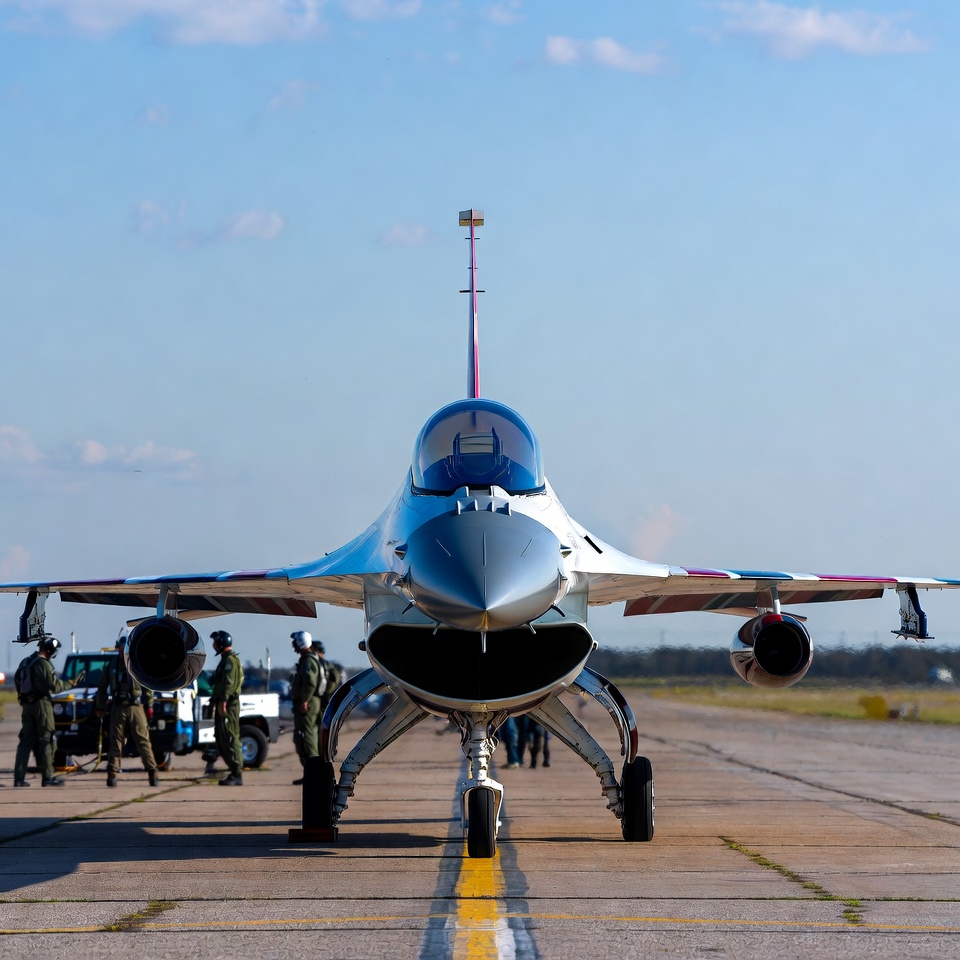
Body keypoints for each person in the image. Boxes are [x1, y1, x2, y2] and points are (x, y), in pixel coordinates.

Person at [96, 627, 158, 787]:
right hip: (118, 706)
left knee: (143, 740)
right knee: (115, 742)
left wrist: (149, 705)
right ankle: (112, 774)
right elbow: (102, 687)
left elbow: (148, 685)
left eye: (123, 647)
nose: (120, 650)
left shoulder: (137, 662)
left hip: (136, 706)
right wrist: (100, 706)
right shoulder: (111, 665)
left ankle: (152, 773)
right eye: (119, 647)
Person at [14, 636, 73, 787]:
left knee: (25, 742)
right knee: (47, 739)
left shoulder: (25, 662)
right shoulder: (44, 664)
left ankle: (19, 778)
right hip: (42, 705)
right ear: (50, 650)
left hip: (27, 706)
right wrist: (71, 683)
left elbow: (17, 680)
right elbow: (54, 686)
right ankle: (48, 777)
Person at [290, 630, 326, 785]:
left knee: (308, 737)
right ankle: (310, 774)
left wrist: (305, 700)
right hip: (309, 702)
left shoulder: (308, 660)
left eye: (295, 641)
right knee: (304, 737)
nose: (293, 645)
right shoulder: (308, 659)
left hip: (308, 703)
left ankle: (314, 774)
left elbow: (310, 682)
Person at [210, 630, 244, 786]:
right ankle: (234, 771)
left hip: (228, 705)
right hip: (225, 703)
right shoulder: (227, 659)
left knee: (230, 736)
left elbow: (229, 683)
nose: (213, 645)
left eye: (216, 642)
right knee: (222, 737)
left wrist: (223, 701)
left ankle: (237, 773)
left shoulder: (229, 660)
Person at [311, 638, 343, 711]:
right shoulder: (326, 665)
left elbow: (335, 679)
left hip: (322, 699)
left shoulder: (321, 665)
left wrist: (326, 694)